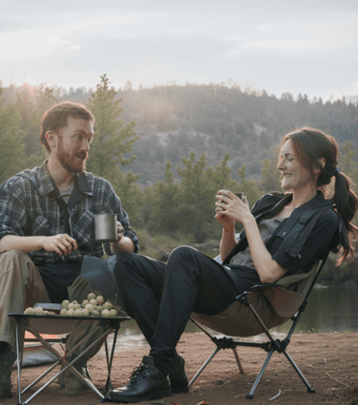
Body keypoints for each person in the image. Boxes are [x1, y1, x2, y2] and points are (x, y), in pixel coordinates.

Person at [109, 128, 357, 403]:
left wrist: (248, 220)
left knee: (183, 255)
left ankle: (157, 367)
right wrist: (229, 229)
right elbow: (228, 259)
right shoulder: (271, 202)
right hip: (227, 282)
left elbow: (270, 273)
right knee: (127, 264)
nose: (280, 165)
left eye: (289, 158)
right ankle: (169, 363)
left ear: (316, 166)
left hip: (253, 297)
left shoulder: (322, 219)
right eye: (280, 157)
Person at [0, 101, 139, 404]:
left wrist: (118, 242)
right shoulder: (20, 187)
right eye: (78, 137)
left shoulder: (100, 190)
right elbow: (0, 241)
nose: (86, 146)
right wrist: (43, 241)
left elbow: (131, 245)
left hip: (83, 289)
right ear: (52, 138)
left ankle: (74, 366)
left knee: (116, 267)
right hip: (33, 289)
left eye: (90, 138)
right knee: (10, 259)